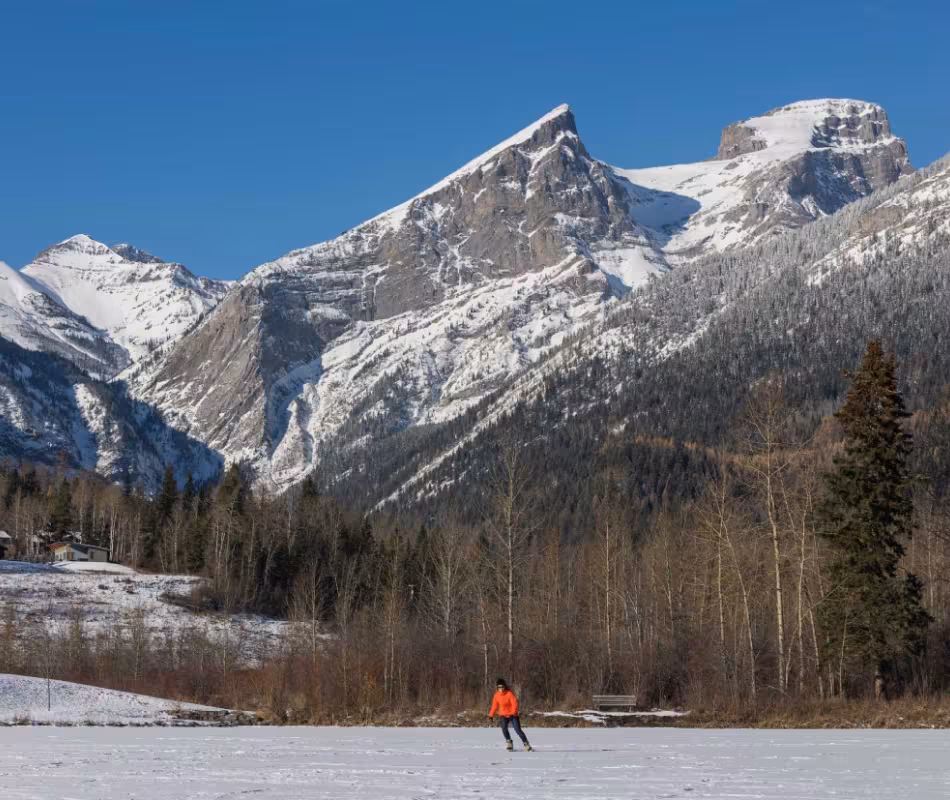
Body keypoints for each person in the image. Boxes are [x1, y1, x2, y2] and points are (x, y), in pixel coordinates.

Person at [488, 678, 532, 751]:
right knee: (504, 728)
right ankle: (509, 743)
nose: (501, 688)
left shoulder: (509, 693)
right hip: (503, 715)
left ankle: (526, 744)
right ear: (497, 687)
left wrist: (513, 712)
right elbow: (494, 706)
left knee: (518, 730)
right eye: (499, 687)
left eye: (502, 687)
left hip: (513, 715)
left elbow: (515, 703)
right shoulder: (496, 695)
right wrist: (491, 715)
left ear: (505, 686)